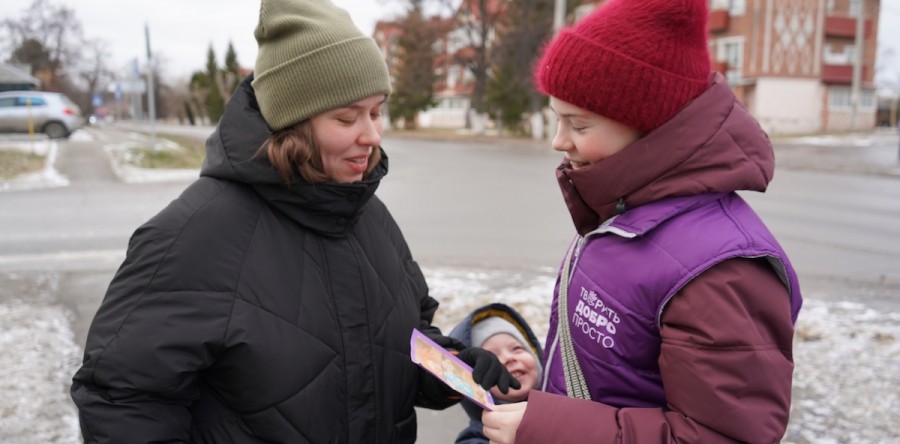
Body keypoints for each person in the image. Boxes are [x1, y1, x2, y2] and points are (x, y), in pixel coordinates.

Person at [69, 1, 516, 442]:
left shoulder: (368, 215)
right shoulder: (191, 237)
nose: (372, 134)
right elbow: (122, 400)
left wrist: (453, 368)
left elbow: (402, 341)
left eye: (376, 112)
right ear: (293, 122)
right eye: (347, 117)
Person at [482, 0, 803, 442]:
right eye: (556, 119)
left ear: (651, 124)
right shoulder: (621, 212)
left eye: (578, 124)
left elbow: (722, 436)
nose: (559, 142)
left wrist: (548, 428)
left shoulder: (721, 270)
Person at [448, 303, 544, 444]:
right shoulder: (479, 435)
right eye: (491, 357)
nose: (508, 358)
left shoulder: (567, 403)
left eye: (517, 348)